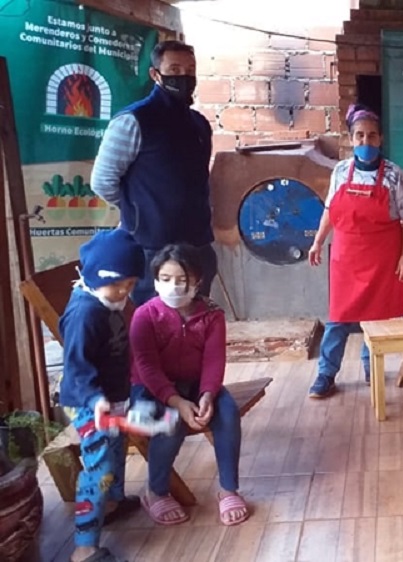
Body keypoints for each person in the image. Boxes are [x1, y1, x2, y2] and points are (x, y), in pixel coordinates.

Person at [129, 244, 249, 527]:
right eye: (165, 279)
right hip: (150, 389)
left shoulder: (212, 314)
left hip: (196, 384)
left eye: (182, 279)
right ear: (155, 281)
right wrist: (177, 402)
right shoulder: (144, 316)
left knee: (227, 413)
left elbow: (214, 361)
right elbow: (147, 367)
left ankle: (228, 490)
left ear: (198, 281)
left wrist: (207, 394)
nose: (174, 286)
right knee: (170, 422)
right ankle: (156, 492)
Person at [91, 40, 216, 306]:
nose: (183, 77)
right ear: (155, 74)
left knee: (195, 321)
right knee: (153, 323)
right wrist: (139, 209)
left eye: (190, 70)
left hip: (197, 245)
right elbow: (102, 181)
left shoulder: (199, 125)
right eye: (174, 69)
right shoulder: (133, 120)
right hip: (151, 250)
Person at [306, 104, 403, 398]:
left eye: (371, 136)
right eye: (360, 136)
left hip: (382, 257)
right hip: (346, 257)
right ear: (352, 139)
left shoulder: (395, 175)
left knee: (376, 316)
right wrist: (318, 241)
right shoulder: (341, 171)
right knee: (338, 317)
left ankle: (372, 367)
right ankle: (326, 374)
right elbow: (330, 209)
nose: (366, 141)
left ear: (381, 139)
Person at [59, 229, 145, 562]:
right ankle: (84, 547)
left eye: (130, 283)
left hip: (112, 397)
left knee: (116, 448)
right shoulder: (84, 314)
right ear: (95, 277)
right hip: (87, 402)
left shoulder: (106, 300)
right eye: (117, 284)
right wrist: (96, 399)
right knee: (99, 466)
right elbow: (76, 367)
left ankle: (111, 504)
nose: (124, 291)